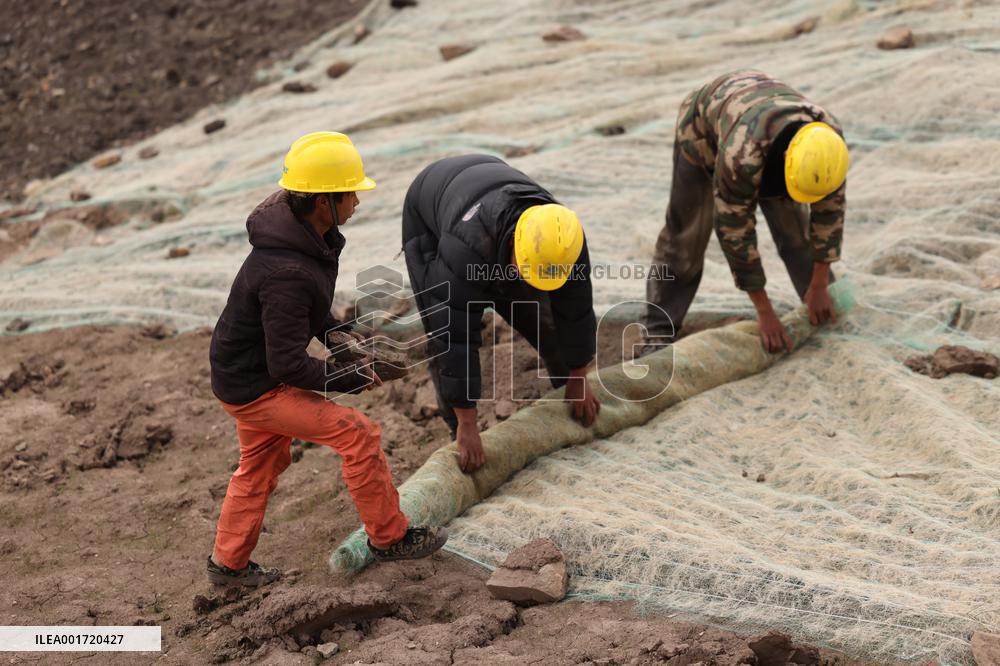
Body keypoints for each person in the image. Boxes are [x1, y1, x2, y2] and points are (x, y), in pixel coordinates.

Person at [206, 132, 447, 587]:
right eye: (350, 191)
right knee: (357, 433)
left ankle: (228, 565)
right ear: (322, 201)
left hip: (240, 373)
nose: (357, 199)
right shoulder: (287, 271)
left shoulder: (306, 240)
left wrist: (341, 337)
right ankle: (389, 537)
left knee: (260, 464)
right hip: (258, 386)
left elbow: (306, 313)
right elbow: (287, 366)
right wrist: (352, 376)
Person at [402, 155, 601, 473]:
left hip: (487, 189)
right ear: (514, 245)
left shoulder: (564, 238)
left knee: (536, 312)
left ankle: (564, 385)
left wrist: (579, 375)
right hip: (430, 214)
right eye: (523, 270)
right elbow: (452, 335)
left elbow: (575, 307)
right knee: (444, 323)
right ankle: (459, 432)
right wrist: (468, 422)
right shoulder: (463, 251)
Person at [642, 70, 849, 354]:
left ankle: (817, 305)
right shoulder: (742, 155)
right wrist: (764, 312)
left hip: (768, 126)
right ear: (787, 162)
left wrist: (820, 283)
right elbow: (735, 232)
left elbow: (829, 216)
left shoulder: (828, 147)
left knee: (796, 234)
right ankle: (658, 330)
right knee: (685, 242)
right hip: (704, 130)